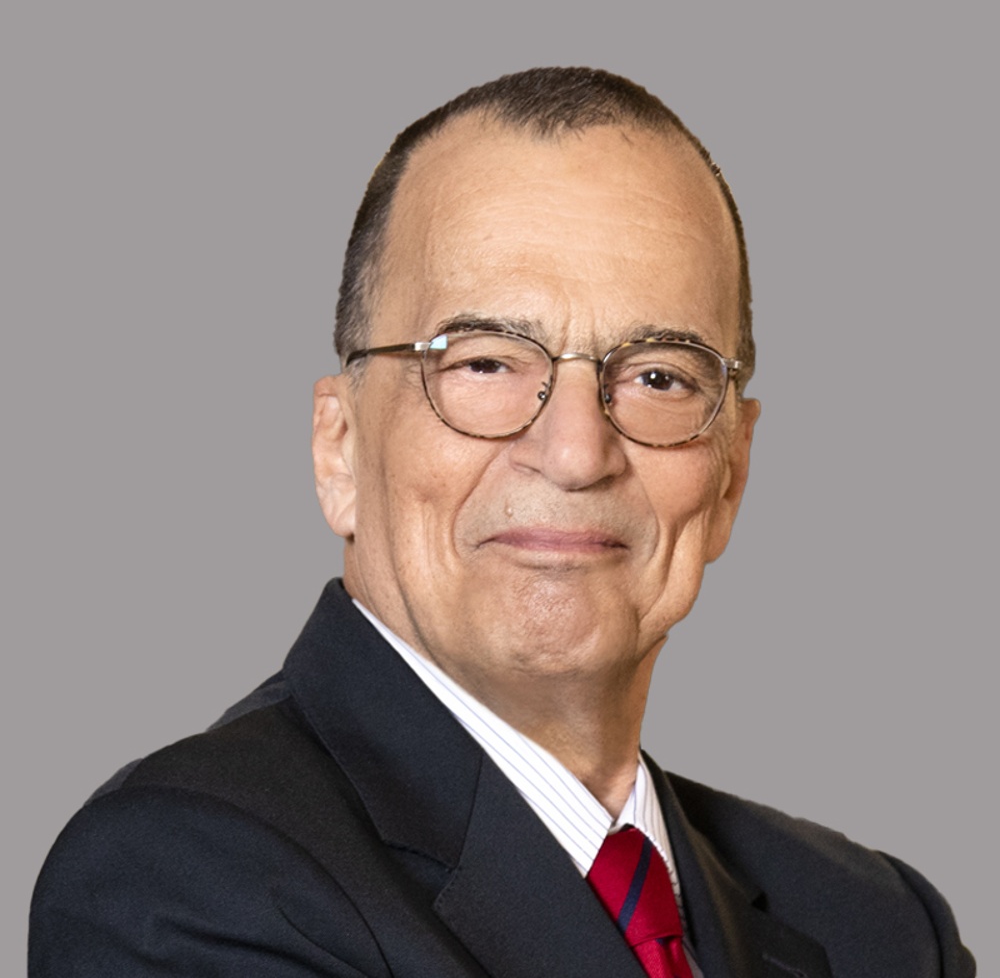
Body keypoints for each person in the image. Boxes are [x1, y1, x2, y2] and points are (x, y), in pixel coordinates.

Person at [29, 67, 974, 978]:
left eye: (659, 377)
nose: (576, 452)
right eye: (484, 363)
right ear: (340, 448)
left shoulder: (879, 928)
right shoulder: (185, 880)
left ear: (732, 475)